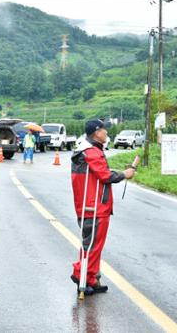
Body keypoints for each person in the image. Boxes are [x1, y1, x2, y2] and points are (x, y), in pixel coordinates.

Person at [70, 119, 136, 295]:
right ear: (96, 133)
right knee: (92, 246)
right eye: (104, 129)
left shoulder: (86, 150)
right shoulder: (91, 152)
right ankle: (79, 273)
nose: (107, 132)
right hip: (94, 207)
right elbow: (105, 175)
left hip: (89, 206)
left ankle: (90, 278)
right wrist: (125, 174)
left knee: (92, 245)